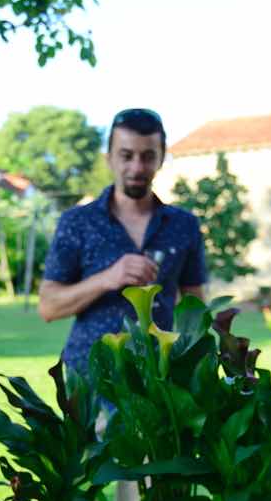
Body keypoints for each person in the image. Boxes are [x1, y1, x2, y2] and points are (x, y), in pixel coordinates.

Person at [38, 108, 208, 376]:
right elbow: (48, 306)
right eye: (126, 156)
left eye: (148, 156)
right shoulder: (77, 222)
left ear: (162, 158)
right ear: (109, 158)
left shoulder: (184, 225)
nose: (137, 167)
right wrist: (107, 278)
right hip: (89, 380)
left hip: (159, 379)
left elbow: (195, 310)